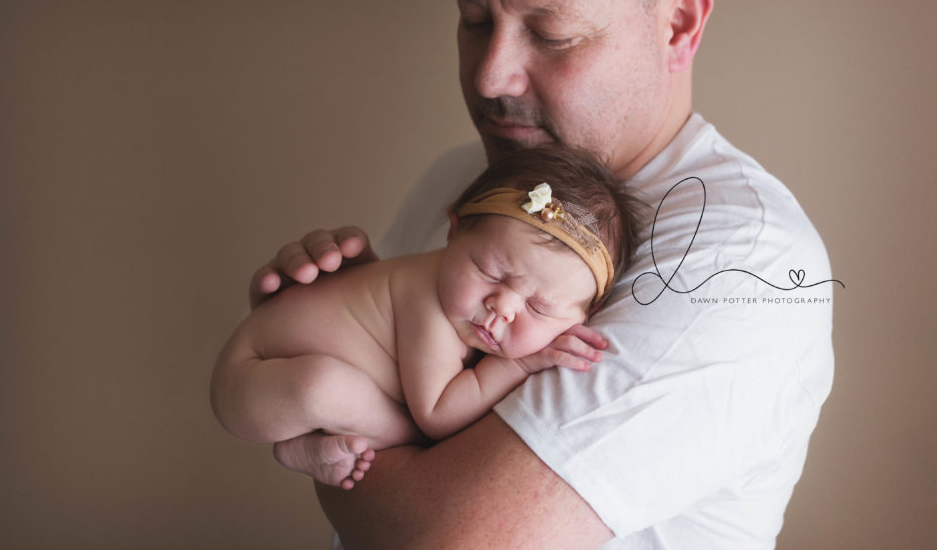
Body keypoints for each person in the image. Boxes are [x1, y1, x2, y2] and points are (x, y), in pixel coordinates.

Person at [250, 0, 835, 550]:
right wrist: (312, 325)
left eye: (552, 34)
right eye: (473, 20)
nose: (489, 77)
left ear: (678, 24)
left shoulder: (741, 262)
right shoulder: (459, 181)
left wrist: (326, 404)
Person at [212, 147, 640, 490]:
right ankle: (299, 446)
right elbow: (437, 415)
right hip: (255, 375)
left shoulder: (466, 302)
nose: (502, 308)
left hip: (285, 371)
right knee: (323, 388)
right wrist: (521, 362)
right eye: (488, 272)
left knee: (327, 385)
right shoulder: (430, 301)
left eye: (538, 308)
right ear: (453, 231)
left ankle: (302, 447)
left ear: (587, 316)